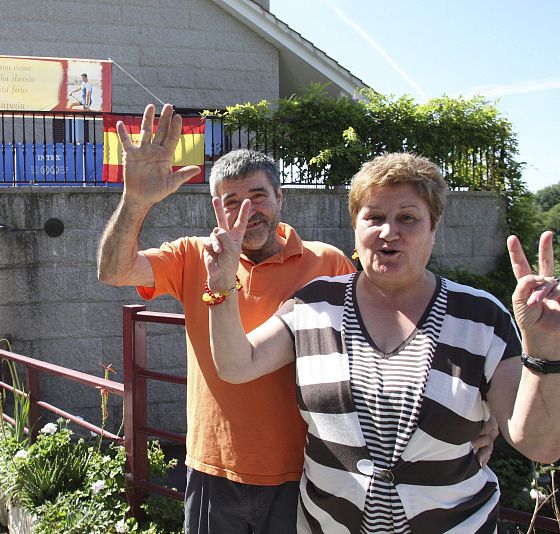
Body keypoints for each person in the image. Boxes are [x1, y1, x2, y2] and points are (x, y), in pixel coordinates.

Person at [97, 106, 497, 533]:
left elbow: (388, 337)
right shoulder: (196, 256)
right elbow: (114, 271)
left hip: (310, 471)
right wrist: (134, 201)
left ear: (280, 199)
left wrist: (476, 410)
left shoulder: (328, 263)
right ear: (215, 208)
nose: (246, 211)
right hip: (215, 465)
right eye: (231, 201)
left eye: (258, 196)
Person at [204, 152, 560, 533]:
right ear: (355, 226)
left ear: (433, 227)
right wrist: (222, 286)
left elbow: (540, 446)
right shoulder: (314, 304)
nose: (389, 232)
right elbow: (237, 365)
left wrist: (545, 349)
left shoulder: (481, 317)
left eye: (408, 218)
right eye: (374, 217)